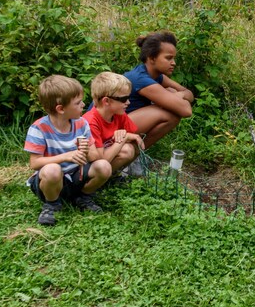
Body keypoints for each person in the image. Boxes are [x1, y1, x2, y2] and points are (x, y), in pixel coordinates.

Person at [24, 75, 112, 226]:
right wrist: (67, 156)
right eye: (78, 103)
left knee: (104, 166)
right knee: (52, 170)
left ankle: (82, 196)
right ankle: (52, 204)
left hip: (75, 177)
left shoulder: (81, 123)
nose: (83, 105)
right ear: (61, 109)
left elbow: (95, 156)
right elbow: (35, 163)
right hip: (49, 181)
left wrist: (85, 151)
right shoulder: (39, 128)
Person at [124, 31, 194, 149]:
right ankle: (136, 153)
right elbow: (186, 110)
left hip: (124, 122)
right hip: (107, 127)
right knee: (170, 113)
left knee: (171, 104)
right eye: (168, 58)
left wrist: (178, 95)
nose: (174, 63)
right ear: (152, 58)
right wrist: (175, 96)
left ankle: (136, 153)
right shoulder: (141, 80)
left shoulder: (157, 76)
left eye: (174, 58)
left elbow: (189, 94)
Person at [83, 72, 144, 175]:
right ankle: (100, 181)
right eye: (124, 99)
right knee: (126, 151)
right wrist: (124, 138)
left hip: (107, 154)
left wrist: (129, 136)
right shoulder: (90, 122)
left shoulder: (119, 113)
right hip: (89, 165)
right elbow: (100, 160)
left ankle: (114, 175)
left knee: (130, 149)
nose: (128, 102)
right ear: (106, 101)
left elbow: (137, 141)